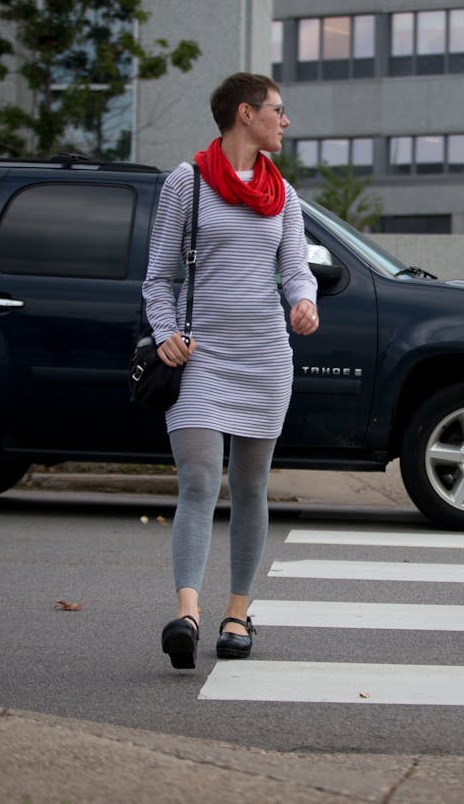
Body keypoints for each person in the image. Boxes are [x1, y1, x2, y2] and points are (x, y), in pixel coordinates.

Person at [143, 72, 319, 670]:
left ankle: (237, 614)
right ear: (246, 114)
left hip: (264, 355)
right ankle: (186, 614)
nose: (285, 121)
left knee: (250, 488)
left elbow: (295, 269)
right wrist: (166, 334)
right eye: (278, 109)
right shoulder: (186, 182)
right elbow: (159, 277)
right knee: (197, 482)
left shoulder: (283, 194)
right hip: (201, 356)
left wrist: (303, 302)